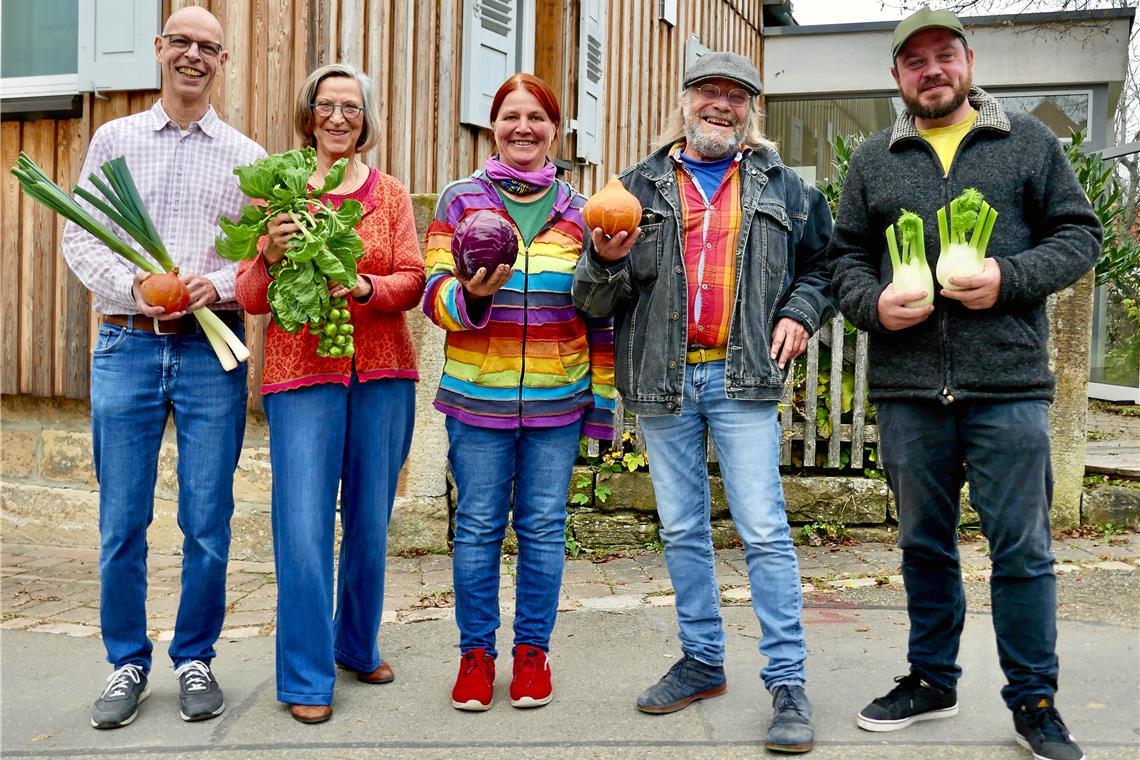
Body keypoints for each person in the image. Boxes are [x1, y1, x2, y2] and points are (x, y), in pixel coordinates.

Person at [827, 8, 1101, 760]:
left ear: (968, 61)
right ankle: (932, 679)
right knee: (923, 543)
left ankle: (1034, 700)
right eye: (915, 61)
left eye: (944, 55)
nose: (932, 70)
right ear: (897, 77)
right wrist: (873, 306)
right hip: (909, 388)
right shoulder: (873, 158)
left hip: (1007, 384)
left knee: (1022, 550)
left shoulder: (1030, 143)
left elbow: (1079, 235)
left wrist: (1010, 278)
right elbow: (845, 258)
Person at [572, 51, 832, 754]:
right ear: (685, 102)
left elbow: (826, 267)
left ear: (751, 110)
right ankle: (703, 661)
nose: (722, 105)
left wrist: (801, 313)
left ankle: (787, 682)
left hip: (743, 376)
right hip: (663, 381)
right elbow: (593, 301)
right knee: (684, 529)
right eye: (710, 93)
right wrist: (605, 256)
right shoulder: (633, 188)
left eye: (736, 96)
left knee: (766, 531)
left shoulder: (787, 188)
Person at [60, 6, 265, 730]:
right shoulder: (115, 141)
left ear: (222, 62)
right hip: (128, 343)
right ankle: (126, 662)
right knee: (122, 519)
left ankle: (195, 657)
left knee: (208, 520)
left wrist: (224, 283)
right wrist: (136, 286)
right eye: (181, 42)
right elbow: (79, 240)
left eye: (209, 48)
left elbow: (258, 260)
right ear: (158, 49)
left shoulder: (246, 154)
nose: (193, 56)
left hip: (213, 351)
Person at [234, 63, 424, 724]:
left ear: (366, 119)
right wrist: (275, 255)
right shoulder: (278, 191)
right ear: (308, 113)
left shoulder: (391, 194)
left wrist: (366, 288)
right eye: (327, 105)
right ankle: (306, 675)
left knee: (371, 520)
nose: (338, 117)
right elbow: (251, 296)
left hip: (382, 375)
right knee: (305, 527)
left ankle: (356, 645)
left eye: (351, 106)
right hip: (301, 375)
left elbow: (413, 279)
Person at [423, 73, 615, 712]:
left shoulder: (585, 212)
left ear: (555, 129)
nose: (523, 128)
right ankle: (476, 656)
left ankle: (533, 654)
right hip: (478, 399)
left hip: (560, 401)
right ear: (493, 125)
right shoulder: (460, 201)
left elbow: (602, 314)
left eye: (537, 116)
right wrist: (470, 296)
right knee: (477, 527)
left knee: (542, 527)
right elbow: (432, 296)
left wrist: (603, 408)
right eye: (511, 116)